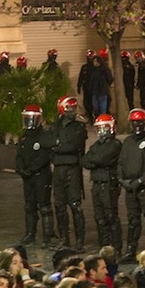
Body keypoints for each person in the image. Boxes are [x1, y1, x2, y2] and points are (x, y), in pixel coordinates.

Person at [118, 109, 145, 264]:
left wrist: (140, 182)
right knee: (133, 220)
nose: (137, 125)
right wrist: (122, 180)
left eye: (140, 122)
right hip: (130, 188)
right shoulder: (128, 141)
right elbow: (121, 162)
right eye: (134, 122)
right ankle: (130, 250)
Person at [48, 96, 88, 250]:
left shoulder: (79, 127)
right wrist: (57, 146)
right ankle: (64, 239)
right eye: (68, 108)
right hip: (58, 168)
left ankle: (79, 241)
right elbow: (49, 142)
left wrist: (57, 146)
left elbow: (72, 146)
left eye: (73, 108)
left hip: (72, 168)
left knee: (75, 205)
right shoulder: (55, 126)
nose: (72, 111)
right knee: (59, 205)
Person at [82, 114, 122, 252]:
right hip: (97, 184)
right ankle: (104, 246)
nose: (102, 131)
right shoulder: (96, 145)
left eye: (104, 128)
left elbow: (103, 159)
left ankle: (116, 246)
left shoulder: (115, 144)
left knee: (111, 216)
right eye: (99, 128)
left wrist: (95, 161)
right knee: (99, 217)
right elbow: (85, 160)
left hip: (109, 184)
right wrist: (96, 161)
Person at [16, 104, 55, 248]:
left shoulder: (44, 136)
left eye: (32, 119)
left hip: (41, 175)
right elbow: (19, 155)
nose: (30, 122)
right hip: (28, 177)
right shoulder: (24, 137)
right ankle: (30, 234)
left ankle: (47, 238)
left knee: (44, 207)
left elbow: (44, 156)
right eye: (27, 119)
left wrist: (31, 169)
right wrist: (21, 169)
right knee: (29, 206)